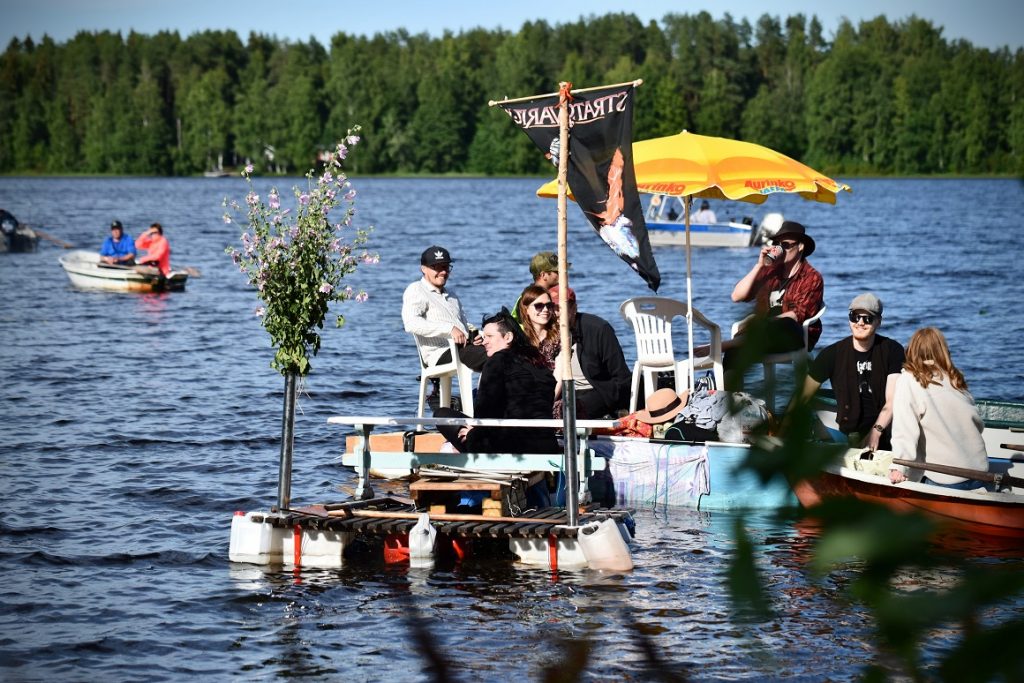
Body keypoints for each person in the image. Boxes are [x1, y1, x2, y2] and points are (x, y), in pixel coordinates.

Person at [434, 309, 558, 455]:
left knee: (442, 414)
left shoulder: (498, 361)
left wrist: (473, 434)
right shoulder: (537, 361)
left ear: (508, 337)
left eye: (489, 336)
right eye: (483, 336)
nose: (484, 341)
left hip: (509, 446)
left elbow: (484, 411)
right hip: (546, 443)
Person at [796, 293, 905, 450]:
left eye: (867, 318)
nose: (860, 322)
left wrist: (876, 432)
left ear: (878, 322)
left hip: (884, 429)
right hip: (848, 429)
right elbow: (802, 396)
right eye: (855, 317)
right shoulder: (832, 354)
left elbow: (892, 401)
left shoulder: (892, 350)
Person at [724, 220, 824, 390]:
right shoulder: (770, 272)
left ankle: (725, 344)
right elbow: (736, 296)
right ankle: (728, 402)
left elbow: (796, 315)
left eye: (785, 244)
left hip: (793, 334)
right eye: (776, 244)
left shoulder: (811, 277)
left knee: (784, 323)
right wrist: (759, 265)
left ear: (800, 247)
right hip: (761, 336)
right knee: (734, 353)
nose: (780, 248)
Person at [888, 328, 988, 489]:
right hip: (979, 473)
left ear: (911, 350)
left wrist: (899, 466)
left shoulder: (908, 380)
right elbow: (978, 425)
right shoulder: (954, 378)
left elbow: (904, 429)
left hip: (945, 478)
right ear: (943, 350)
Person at [549, 285, 631, 418]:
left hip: (598, 390)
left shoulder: (598, 329)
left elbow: (621, 377)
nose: (555, 313)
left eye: (560, 309)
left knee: (569, 412)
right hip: (564, 391)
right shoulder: (547, 330)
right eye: (552, 308)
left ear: (574, 309)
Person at [402, 245, 487, 372]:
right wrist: (449, 329)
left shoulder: (452, 295)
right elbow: (411, 324)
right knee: (494, 357)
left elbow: (463, 325)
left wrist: (477, 336)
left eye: (446, 267)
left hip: (464, 348)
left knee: (503, 350)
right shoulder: (416, 289)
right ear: (423, 269)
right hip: (440, 353)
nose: (443, 272)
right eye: (437, 267)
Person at [511, 251, 569, 323]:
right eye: (557, 272)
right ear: (543, 275)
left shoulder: (544, 295)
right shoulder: (528, 298)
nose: (562, 274)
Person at [515, 284, 559, 369]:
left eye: (549, 305)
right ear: (526, 309)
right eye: (539, 306)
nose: (545, 310)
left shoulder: (559, 336)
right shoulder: (519, 339)